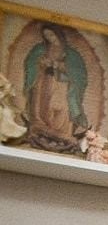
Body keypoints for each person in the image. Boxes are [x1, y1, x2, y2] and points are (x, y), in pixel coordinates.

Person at [21, 21, 90, 153]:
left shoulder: (72, 55)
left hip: (63, 86)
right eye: (46, 37)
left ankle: (62, 134)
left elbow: (79, 74)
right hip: (43, 83)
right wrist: (40, 63)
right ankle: (41, 128)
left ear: (58, 35)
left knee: (61, 108)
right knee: (43, 106)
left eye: (52, 35)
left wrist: (59, 66)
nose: (50, 39)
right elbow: (30, 63)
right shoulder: (40, 49)